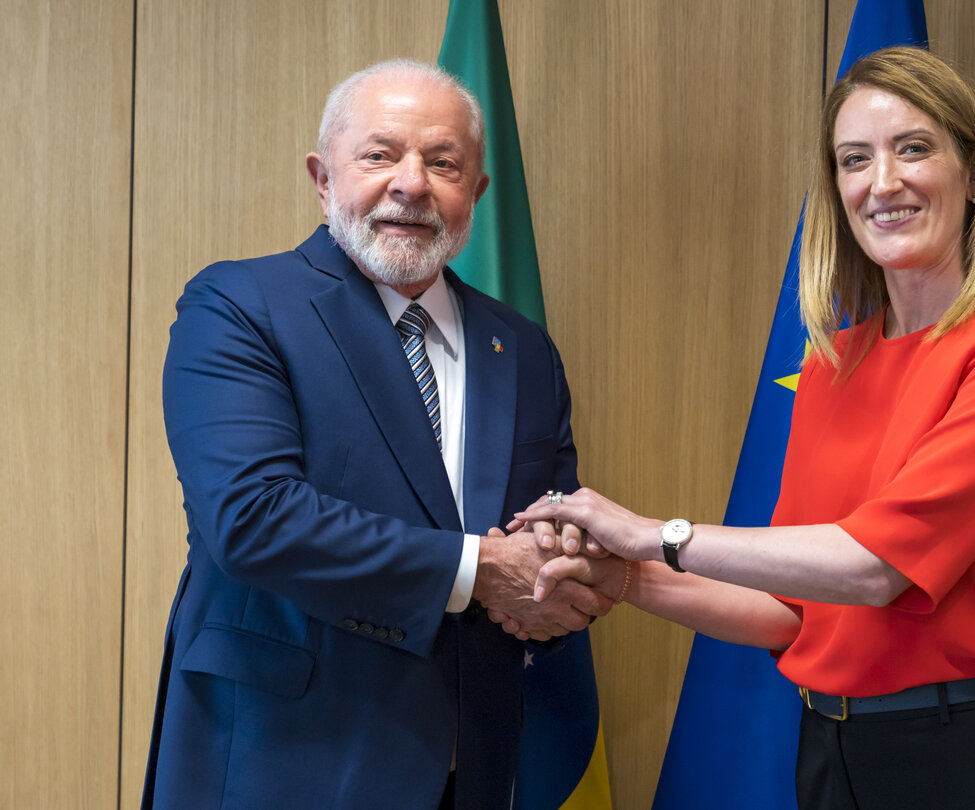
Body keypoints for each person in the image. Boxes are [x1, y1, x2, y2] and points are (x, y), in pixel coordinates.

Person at [513, 46, 975, 809]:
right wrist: (621, 576)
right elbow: (790, 610)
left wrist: (652, 535)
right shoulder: (829, 364)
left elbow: (876, 568)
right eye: (855, 160)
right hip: (825, 749)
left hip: (962, 755)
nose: (882, 183)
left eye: (912, 148)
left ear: (972, 173)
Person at [141, 59, 618, 810]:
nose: (411, 183)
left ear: (476, 196)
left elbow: (543, 538)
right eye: (380, 154)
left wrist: (557, 589)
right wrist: (478, 569)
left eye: (443, 162)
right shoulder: (239, 306)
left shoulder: (521, 349)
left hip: (473, 766)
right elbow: (251, 519)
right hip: (284, 759)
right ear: (323, 177)